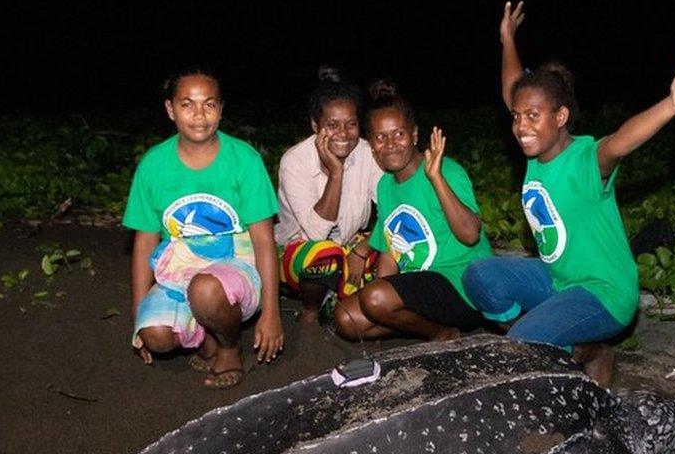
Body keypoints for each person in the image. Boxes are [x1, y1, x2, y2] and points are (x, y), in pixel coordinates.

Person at [463, 1, 675, 384]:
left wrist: (673, 103)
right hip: (559, 279)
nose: (521, 125)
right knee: (479, 276)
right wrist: (507, 38)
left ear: (560, 118)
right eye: (517, 116)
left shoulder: (587, 159)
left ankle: (586, 351)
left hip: (604, 293)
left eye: (532, 116)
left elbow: (621, 141)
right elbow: (513, 89)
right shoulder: (535, 146)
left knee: (523, 345)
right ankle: (553, 342)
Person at [123, 68, 283, 389]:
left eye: (209, 104)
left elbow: (265, 241)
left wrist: (272, 312)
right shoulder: (154, 165)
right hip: (179, 268)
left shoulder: (244, 161)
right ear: (170, 110)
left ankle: (228, 348)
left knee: (206, 290)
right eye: (187, 104)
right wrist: (138, 317)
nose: (199, 115)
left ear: (221, 109)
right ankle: (207, 335)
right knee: (156, 335)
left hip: (237, 266)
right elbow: (144, 242)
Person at [334, 81, 493, 341]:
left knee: (375, 298)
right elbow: (390, 251)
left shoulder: (447, 171)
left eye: (399, 134)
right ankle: (422, 324)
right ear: (371, 145)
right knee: (347, 319)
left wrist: (436, 178)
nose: (391, 144)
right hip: (421, 288)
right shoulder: (385, 185)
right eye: (380, 137)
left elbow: (470, 235)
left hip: (463, 286)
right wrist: (381, 293)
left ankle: (442, 334)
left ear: (415, 135)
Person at [275, 67, 384, 323]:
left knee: (392, 248)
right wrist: (336, 172)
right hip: (298, 249)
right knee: (324, 255)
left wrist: (362, 249)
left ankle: (338, 297)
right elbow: (316, 233)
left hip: (347, 244)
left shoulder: (367, 154)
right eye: (332, 125)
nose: (343, 134)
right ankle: (312, 311)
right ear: (316, 125)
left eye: (351, 124)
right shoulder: (295, 161)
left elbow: (391, 208)